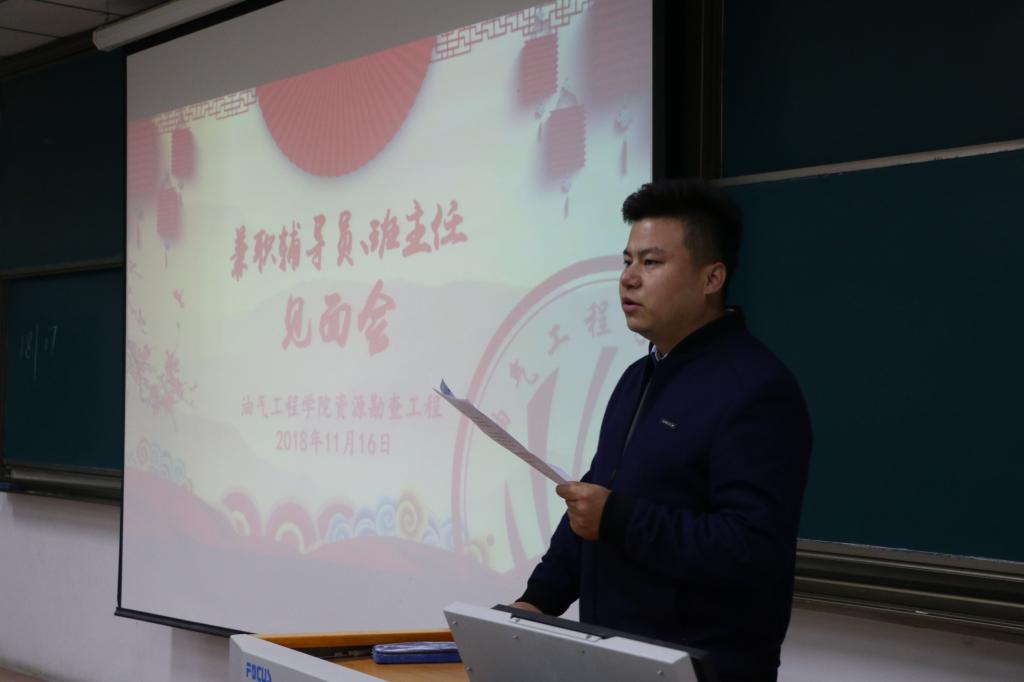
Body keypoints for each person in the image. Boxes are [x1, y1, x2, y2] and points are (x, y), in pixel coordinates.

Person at [512, 178, 812, 682]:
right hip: (611, 661)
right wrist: (537, 600)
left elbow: (751, 548)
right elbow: (592, 505)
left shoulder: (756, 389)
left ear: (711, 278)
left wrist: (618, 518)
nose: (629, 279)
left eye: (651, 263)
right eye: (627, 261)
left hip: (701, 671)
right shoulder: (638, 377)